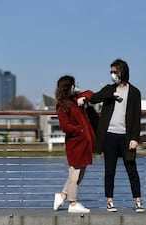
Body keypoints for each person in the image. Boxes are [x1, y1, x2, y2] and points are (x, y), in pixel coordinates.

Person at [90, 58, 145, 213]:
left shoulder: (134, 92)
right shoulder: (109, 89)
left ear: (123, 71)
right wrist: (110, 94)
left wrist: (135, 138)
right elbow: (94, 98)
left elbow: (136, 116)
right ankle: (110, 202)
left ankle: (138, 201)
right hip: (110, 136)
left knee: (131, 169)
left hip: (126, 138)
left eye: (115, 71)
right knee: (110, 171)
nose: (113, 74)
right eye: (111, 72)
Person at [53, 75, 96, 213]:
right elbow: (65, 125)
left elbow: (90, 92)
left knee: (79, 173)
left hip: (83, 143)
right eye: (73, 85)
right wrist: (80, 130)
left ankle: (62, 196)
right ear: (67, 87)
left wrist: (82, 98)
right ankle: (73, 203)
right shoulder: (62, 105)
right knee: (75, 173)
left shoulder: (75, 99)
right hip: (75, 143)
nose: (75, 87)